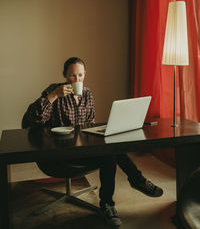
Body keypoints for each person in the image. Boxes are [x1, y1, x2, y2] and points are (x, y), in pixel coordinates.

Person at [22, 57, 163, 226]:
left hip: (83, 149)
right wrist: (53, 96)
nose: (77, 80)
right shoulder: (54, 91)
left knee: (110, 152)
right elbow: (33, 119)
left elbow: (90, 123)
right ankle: (136, 182)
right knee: (110, 154)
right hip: (59, 153)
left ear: (84, 74)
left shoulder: (87, 93)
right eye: (72, 76)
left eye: (80, 75)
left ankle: (108, 204)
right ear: (65, 76)